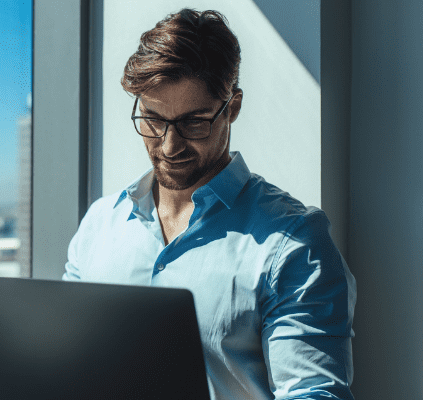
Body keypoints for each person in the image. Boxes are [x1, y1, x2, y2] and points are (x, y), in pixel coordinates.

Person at [62, 9, 356, 400]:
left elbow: (315, 393)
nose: (169, 145)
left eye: (193, 122)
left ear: (231, 107)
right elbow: (69, 365)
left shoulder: (293, 243)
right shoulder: (100, 225)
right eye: (152, 119)